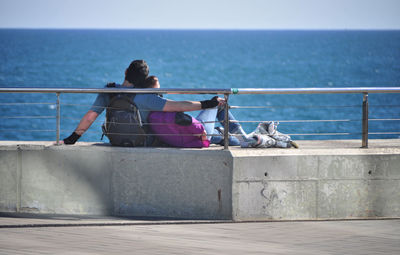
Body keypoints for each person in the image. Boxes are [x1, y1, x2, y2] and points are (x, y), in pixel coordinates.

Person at [62, 59, 259, 147]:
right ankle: (244, 138)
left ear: (125, 72)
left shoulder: (110, 90)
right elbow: (180, 106)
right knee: (217, 109)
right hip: (146, 142)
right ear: (145, 79)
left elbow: (91, 116)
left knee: (215, 135)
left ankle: (240, 139)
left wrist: (72, 139)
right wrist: (208, 103)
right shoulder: (147, 97)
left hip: (117, 141)